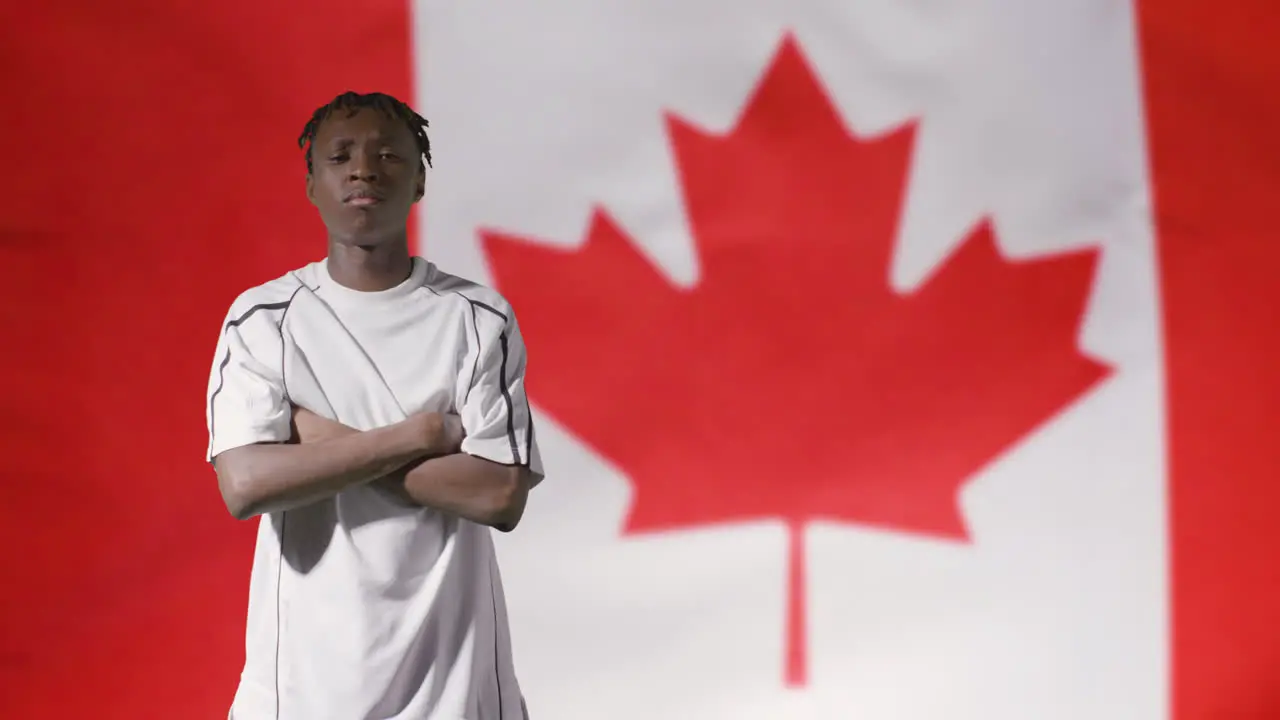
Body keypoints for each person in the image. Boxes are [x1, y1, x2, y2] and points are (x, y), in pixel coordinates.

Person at [204, 91, 542, 720]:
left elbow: (498, 497)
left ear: (419, 182)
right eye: (341, 156)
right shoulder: (264, 319)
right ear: (312, 184)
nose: (364, 169)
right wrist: (422, 434)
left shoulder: (476, 318)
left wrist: (313, 437)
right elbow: (245, 484)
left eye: (389, 154)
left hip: (457, 686)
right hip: (303, 690)